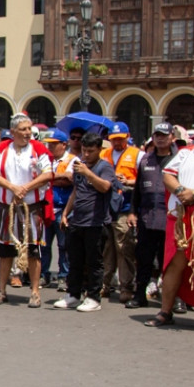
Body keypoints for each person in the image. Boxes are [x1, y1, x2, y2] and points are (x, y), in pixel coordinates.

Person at [143, 117, 194, 332]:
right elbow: (167, 176)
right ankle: (165, 311)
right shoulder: (186, 152)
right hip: (180, 217)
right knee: (173, 265)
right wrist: (181, 191)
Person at [0, 115, 53, 308]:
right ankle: (2, 291)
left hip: (31, 208)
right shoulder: (0, 149)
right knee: (5, 251)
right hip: (7, 207)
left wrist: (25, 187)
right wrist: (12, 187)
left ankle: (34, 292)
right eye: (23, 129)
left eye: (29, 129)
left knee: (33, 250)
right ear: (13, 131)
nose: (27, 133)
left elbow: (48, 174)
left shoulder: (38, 149)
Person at [54, 132, 115, 312]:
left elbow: (105, 187)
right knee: (75, 260)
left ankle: (93, 297)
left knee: (94, 262)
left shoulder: (104, 167)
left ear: (99, 150)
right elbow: (75, 192)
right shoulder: (79, 165)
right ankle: (73, 294)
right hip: (77, 220)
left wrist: (88, 172)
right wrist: (66, 213)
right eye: (83, 150)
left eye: (90, 151)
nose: (86, 154)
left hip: (96, 222)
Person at [126, 123, 176, 309]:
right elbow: (137, 190)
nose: (160, 138)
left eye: (164, 135)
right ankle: (140, 295)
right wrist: (132, 212)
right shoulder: (146, 160)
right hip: (147, 218)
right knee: (144, 259)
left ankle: (176, 299)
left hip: (171, 219)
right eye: (157, 135)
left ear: (172, 137)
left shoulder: (179, 159)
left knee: (170, 262)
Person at [100, 122, 141, 302]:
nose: (117, 143)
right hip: (106, 207)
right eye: (114, 140)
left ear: (127, 137)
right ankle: (104, 285)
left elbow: (144, 180)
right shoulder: (104, 154)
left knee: (124, 248)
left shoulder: (137, 155)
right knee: (106, 249)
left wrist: (129, 182)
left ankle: (126, 287)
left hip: (124, 208)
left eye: (120, 140)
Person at [41, 129, 74, 292]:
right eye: (49, 144)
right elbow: (40, 178)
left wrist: (50, 178)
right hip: (46, 206)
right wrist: (57, 177)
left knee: (63, 245)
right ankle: (44, 274)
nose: (51, 147)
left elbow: (69, 179)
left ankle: (63, 276)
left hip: (63, 208)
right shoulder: (46, 159)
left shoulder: (72, 159)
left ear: (63, 144)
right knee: (44, 244)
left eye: (54, 145)